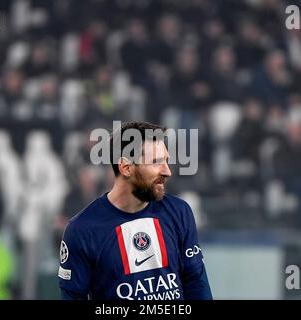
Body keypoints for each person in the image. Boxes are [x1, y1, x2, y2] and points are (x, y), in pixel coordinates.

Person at [58, 121, 212, 300]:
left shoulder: (179, 212)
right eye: (156, 162)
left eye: (166, 161)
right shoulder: (82, 229)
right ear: (126, 167)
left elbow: (197, 284)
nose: (167, 171)